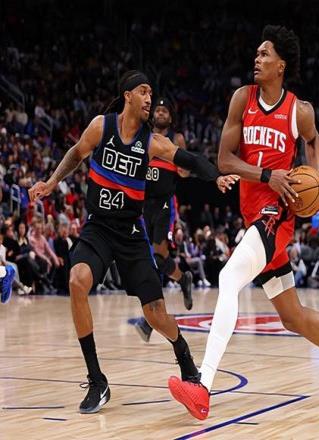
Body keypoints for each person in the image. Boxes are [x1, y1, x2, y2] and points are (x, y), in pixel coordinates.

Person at [168, 26, 319, 420]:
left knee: (228, 278)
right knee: (292, 317)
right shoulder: (242, 99)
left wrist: (313, 175)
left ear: (280, 65)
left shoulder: (300, 110)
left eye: (265, 54)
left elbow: (313, 140)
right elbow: (225, 160)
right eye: (257, 53)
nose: (257, 59)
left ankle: (202, 386)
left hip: (276, 216)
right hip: (253, 211)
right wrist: (268, 175)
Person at [28, 70, 238, 414]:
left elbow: (189, 159)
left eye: (151, 93)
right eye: (143, 91)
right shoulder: (101, 127)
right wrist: (51, 182)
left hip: (131, 233)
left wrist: (215, 177)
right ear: (127, 95)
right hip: (99, 227)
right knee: (77, 281)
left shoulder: (152, 142)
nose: (149, 98)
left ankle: (185, 358)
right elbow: (76, 153)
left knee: (155, 315)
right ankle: (97, 380)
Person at [134, 97, 194, 343]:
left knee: (157, 258)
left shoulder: (176, 139)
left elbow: (186, 172)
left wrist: (173, 158)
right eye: (157, 110)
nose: (159, 113)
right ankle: (183, 278)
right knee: (150, 259)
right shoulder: (145, 136)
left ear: (170, 116)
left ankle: (150, 319)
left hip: (164, 204)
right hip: (142, 203)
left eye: (164, 111)